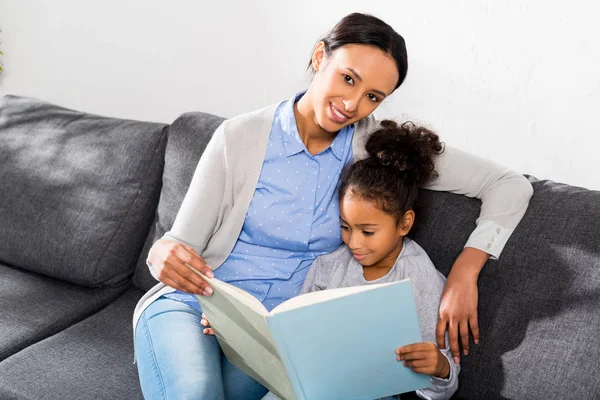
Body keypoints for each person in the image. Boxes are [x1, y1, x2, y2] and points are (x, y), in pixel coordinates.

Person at [133, 12, 533, 400]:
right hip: (200, 303)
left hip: (281, 336)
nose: (352, 104)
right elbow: (177, 245)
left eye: (372, 96)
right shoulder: (239, 137)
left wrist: (465, 273)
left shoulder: (377, 149)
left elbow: (508, 185)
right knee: (195, 393)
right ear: (320, 56)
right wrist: (163, 252)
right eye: (348, 79)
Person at [203, 121, 459, 400]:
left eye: (368, 231)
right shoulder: (328, 266)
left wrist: (440, 368)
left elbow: (441, 389)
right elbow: (293, 346)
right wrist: (235, 331)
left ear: (404, 223)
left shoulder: (418, 276)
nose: (354, 242)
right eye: (345, 227)